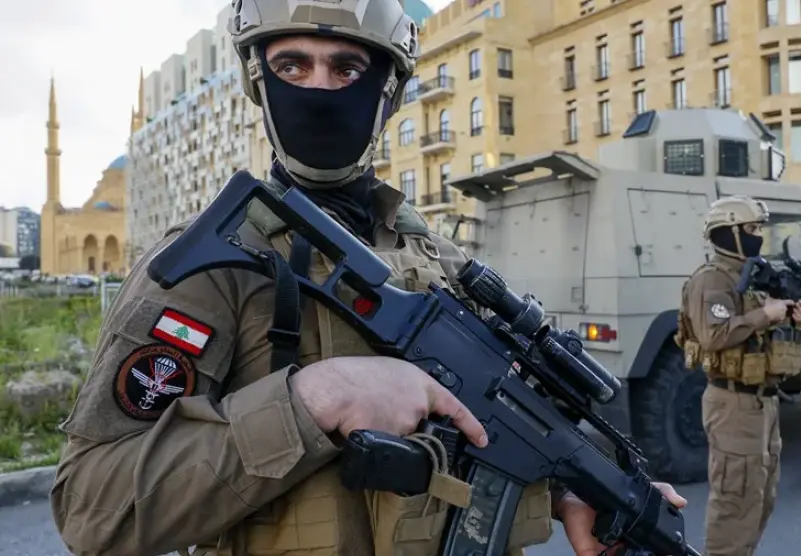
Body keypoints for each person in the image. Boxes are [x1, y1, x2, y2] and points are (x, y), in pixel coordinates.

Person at [48, 2, 687, 556]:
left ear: (388, 93)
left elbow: (480, 428)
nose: (319, 89)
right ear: (258, 82)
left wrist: (569, 487)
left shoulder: (432, 255)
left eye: (347, 69)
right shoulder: (215, 262)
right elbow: (91, 508)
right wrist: (312, 399)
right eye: (292, 66)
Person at [674, 196, 801, 556]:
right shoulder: (712, 279)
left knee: (759, 498)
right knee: (735, 501)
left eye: (759, 229)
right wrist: (765, 314)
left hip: (763, 400)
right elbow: (713, 336)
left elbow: (761, 340)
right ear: (728, 232)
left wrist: (793, 322)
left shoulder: (751, 277)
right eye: (751, 229)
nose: (758, 236)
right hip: (732, 402)